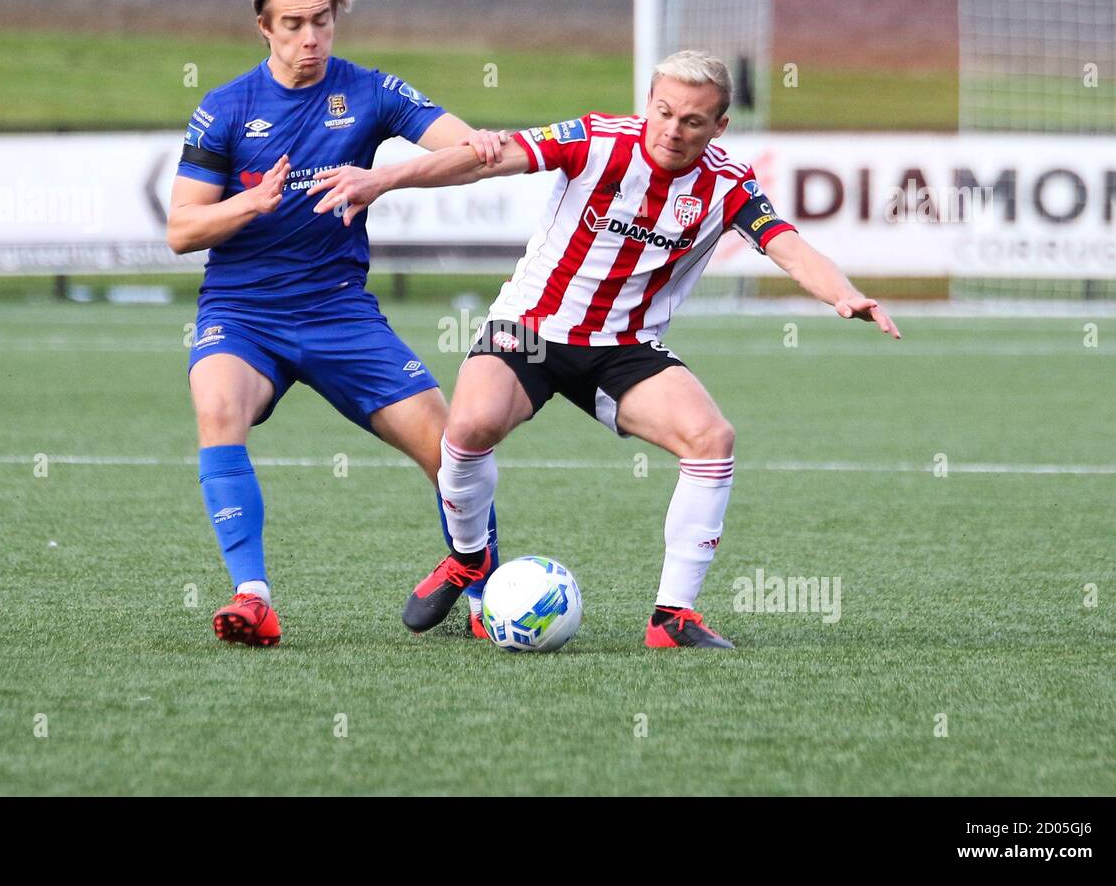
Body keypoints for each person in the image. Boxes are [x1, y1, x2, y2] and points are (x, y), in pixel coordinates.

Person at [309, 49, 901, 648]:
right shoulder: (596, 139)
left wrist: (843, 294)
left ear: (719, 126)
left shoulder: (728, 184)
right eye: (664, 111)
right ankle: (469, 558)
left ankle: (673, 618)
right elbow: (485, 161)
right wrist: (381, 179)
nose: (673, 129)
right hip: (531, 329)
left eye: (693, 121)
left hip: (624, 349)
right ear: (648, 102)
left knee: (711, 439)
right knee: (468, 428)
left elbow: (788, 247)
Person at [168, 0, 503, 646]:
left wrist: (385, 179)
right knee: (217, 408)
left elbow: (475, 152)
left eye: (321, 20)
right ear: (264, 27)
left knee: (452, 447)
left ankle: (483, 592)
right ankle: (252, 596)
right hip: (242, 312)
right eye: (292, 24)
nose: (310, 38)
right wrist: (248, 206)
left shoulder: (373, 92)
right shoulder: (225, 108)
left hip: (338, 313)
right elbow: (181, 230)